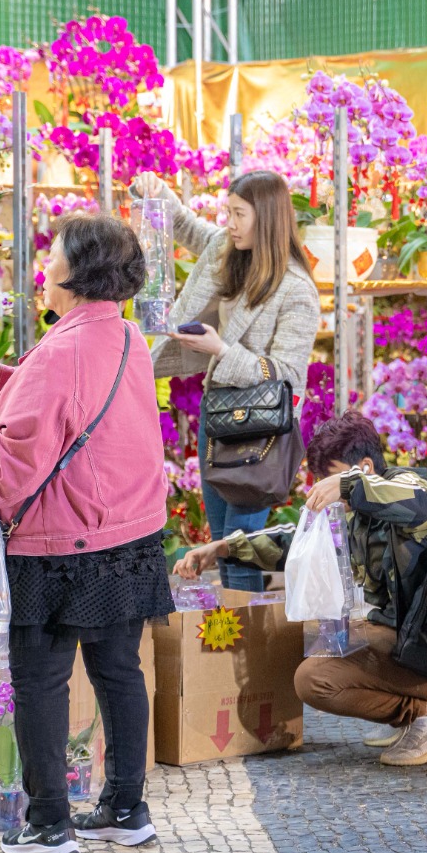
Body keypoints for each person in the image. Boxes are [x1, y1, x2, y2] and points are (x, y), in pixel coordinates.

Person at [0, 213, 172, 853]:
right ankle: (126, 810)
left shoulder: (56, 354)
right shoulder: (126, 335)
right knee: (119, 671)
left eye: (52, 256)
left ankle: (49, 825)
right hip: (130, 539)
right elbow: (70, 403)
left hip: (61, 549)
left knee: (41, 680)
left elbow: (5, 474)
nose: (42, 267)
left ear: (76, 274)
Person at [175, 412, 427, 767]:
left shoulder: (407, 488)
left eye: (329, 477)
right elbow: (299, 544)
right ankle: (411, 713)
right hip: (402, 634)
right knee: (298, 635)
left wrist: (348, 486)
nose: (323, 487)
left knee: (313, 680)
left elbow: (420, 503)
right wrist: (223, 548)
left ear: (365, 467)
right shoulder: (356, 513)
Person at [132, 169, 320, 591]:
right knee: (221, 543)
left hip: (261, 430)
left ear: (266, 218)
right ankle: (231, 627)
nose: (230, 223)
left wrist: (220, 350)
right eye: (228, 212)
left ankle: (248, 630)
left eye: (239, 214)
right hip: (218, 416)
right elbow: (188, 227)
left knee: (240, 545)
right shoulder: (228, 249)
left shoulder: (296, 290)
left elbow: (288, 375)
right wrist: (157, 191)